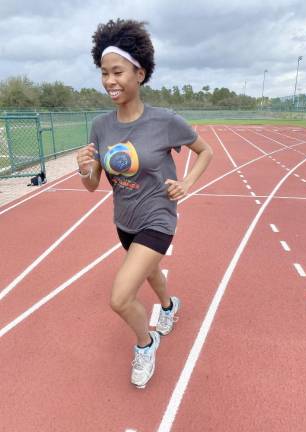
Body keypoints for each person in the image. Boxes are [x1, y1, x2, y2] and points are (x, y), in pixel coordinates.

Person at [77, 19, 213, 388]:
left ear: (140, 72)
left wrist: (186, 183)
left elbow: (205, 151)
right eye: (103, 73)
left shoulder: (165, 121)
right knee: (150, 272)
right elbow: (92, 187)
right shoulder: (101, 126)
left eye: (117, 72)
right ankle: (170, 307)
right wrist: (85, 170)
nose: (109, 81)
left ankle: (145, 342)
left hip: (158, 217)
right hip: (124, 219)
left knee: (121, 298)